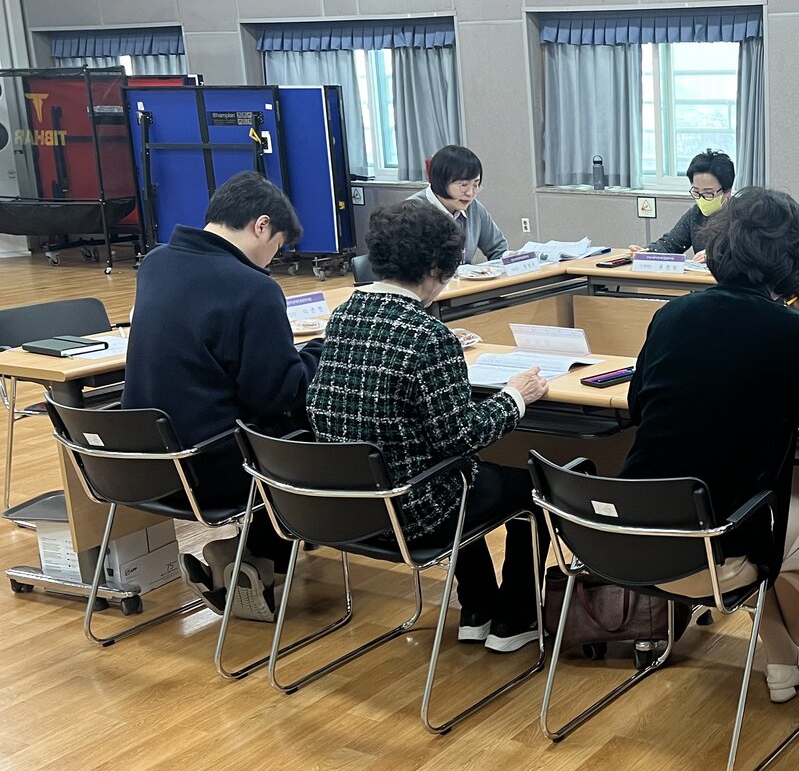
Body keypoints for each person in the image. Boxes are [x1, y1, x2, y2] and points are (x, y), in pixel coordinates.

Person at [621, 186, 799, 702]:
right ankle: (793, 654)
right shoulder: (790, 332)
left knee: (769, 522)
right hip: (711, 547)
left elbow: (638, 407)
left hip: (630, 538)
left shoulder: (671, 316)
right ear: (796, 264)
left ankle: (788, 656)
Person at [307, 201, 549, 651]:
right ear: (437, 270)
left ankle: (477, 608)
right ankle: (516, 620)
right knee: (533, 488)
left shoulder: (345, 314)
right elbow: (462, 437)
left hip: (348, 504)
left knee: (457, 475)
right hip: (411, 512)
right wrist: (516, 395)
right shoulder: (429, 336)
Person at [123, 172, 318, 621]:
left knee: (262, 428)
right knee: (303, 434)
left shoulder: (155, 263)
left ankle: (250, 561)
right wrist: (318, 353)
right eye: (278, 246)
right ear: (261, 225)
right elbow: (277, 393)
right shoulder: (253, 288)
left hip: (141, 464)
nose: (273, 260)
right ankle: (254, 558)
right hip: (210, 470)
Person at [408, 144, 509, 265]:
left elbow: (498, 248)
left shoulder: (474, 208)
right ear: (440, 181)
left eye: (475, 184)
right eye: (463, 185)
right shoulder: (412, 212)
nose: (470, 193)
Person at [628, 150, 733, 262]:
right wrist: (646, 253)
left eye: (708, 193)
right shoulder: (695, 215)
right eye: (696, 192)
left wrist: (716, 256)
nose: (701, 198)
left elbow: (745, 256)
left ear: (728, 191)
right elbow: (670, 245)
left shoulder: (742, 217)